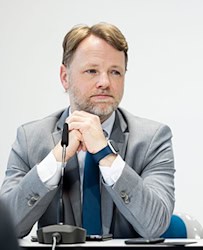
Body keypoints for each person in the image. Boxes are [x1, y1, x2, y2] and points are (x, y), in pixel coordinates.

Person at [0, 22, 175, 239]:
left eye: (115, 72)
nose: (105, 82)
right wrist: (54, 161)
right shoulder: (31, 138)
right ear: (65, 77)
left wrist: (104, 153)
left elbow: (155, 225)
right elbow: (6, 226)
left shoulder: (152, 139)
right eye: (92, 71)